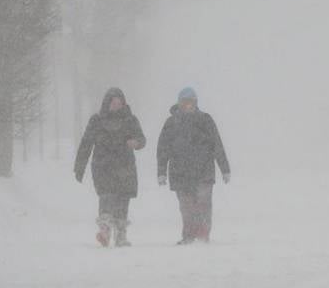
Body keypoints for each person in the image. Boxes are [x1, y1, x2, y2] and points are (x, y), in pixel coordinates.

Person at [157, 87, 231, 245]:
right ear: (179, 103)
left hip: (204, 171)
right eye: (185, 102)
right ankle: (188, 235)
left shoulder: (205, 120)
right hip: (180, 172)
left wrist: (225, 169)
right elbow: (163, 148)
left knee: (203, 203)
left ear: (196, 103)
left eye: (191, 102)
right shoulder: (171, 123)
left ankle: (203, 233)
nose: (188, 105)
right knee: (186, 206)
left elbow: (217, 144)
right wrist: (161, 172)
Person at [74, 88, 146, 247]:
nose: (116, 106)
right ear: (107, 103)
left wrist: (136, 143)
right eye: (113, 103)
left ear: (123, 104)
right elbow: (86, 144)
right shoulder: (96, 120)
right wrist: (79, 167)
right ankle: (105, 231)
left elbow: (142, 138)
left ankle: (121, 235)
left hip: (125, 166)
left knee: (122, 200)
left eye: (119, 103)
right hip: (103, 166)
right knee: (106, 198)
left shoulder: (130, 120)